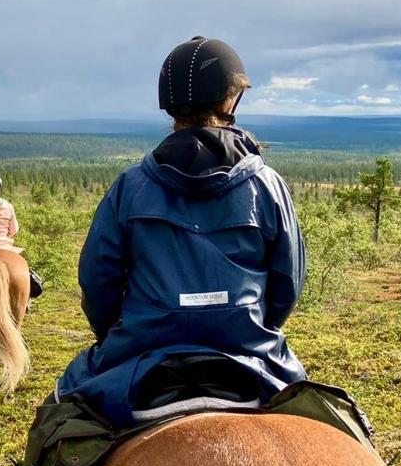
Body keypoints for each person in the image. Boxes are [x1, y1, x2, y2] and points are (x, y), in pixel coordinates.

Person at [55, 36, 307, 428]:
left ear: (170, 106)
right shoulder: (267, 185)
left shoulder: (130, 186)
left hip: (141, 349)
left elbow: (97, 278)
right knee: (329, 422)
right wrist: (255, 327)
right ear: (230, 101)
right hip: (250, 350)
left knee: (60, 413)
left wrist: (117, 334)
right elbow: (287, 284)